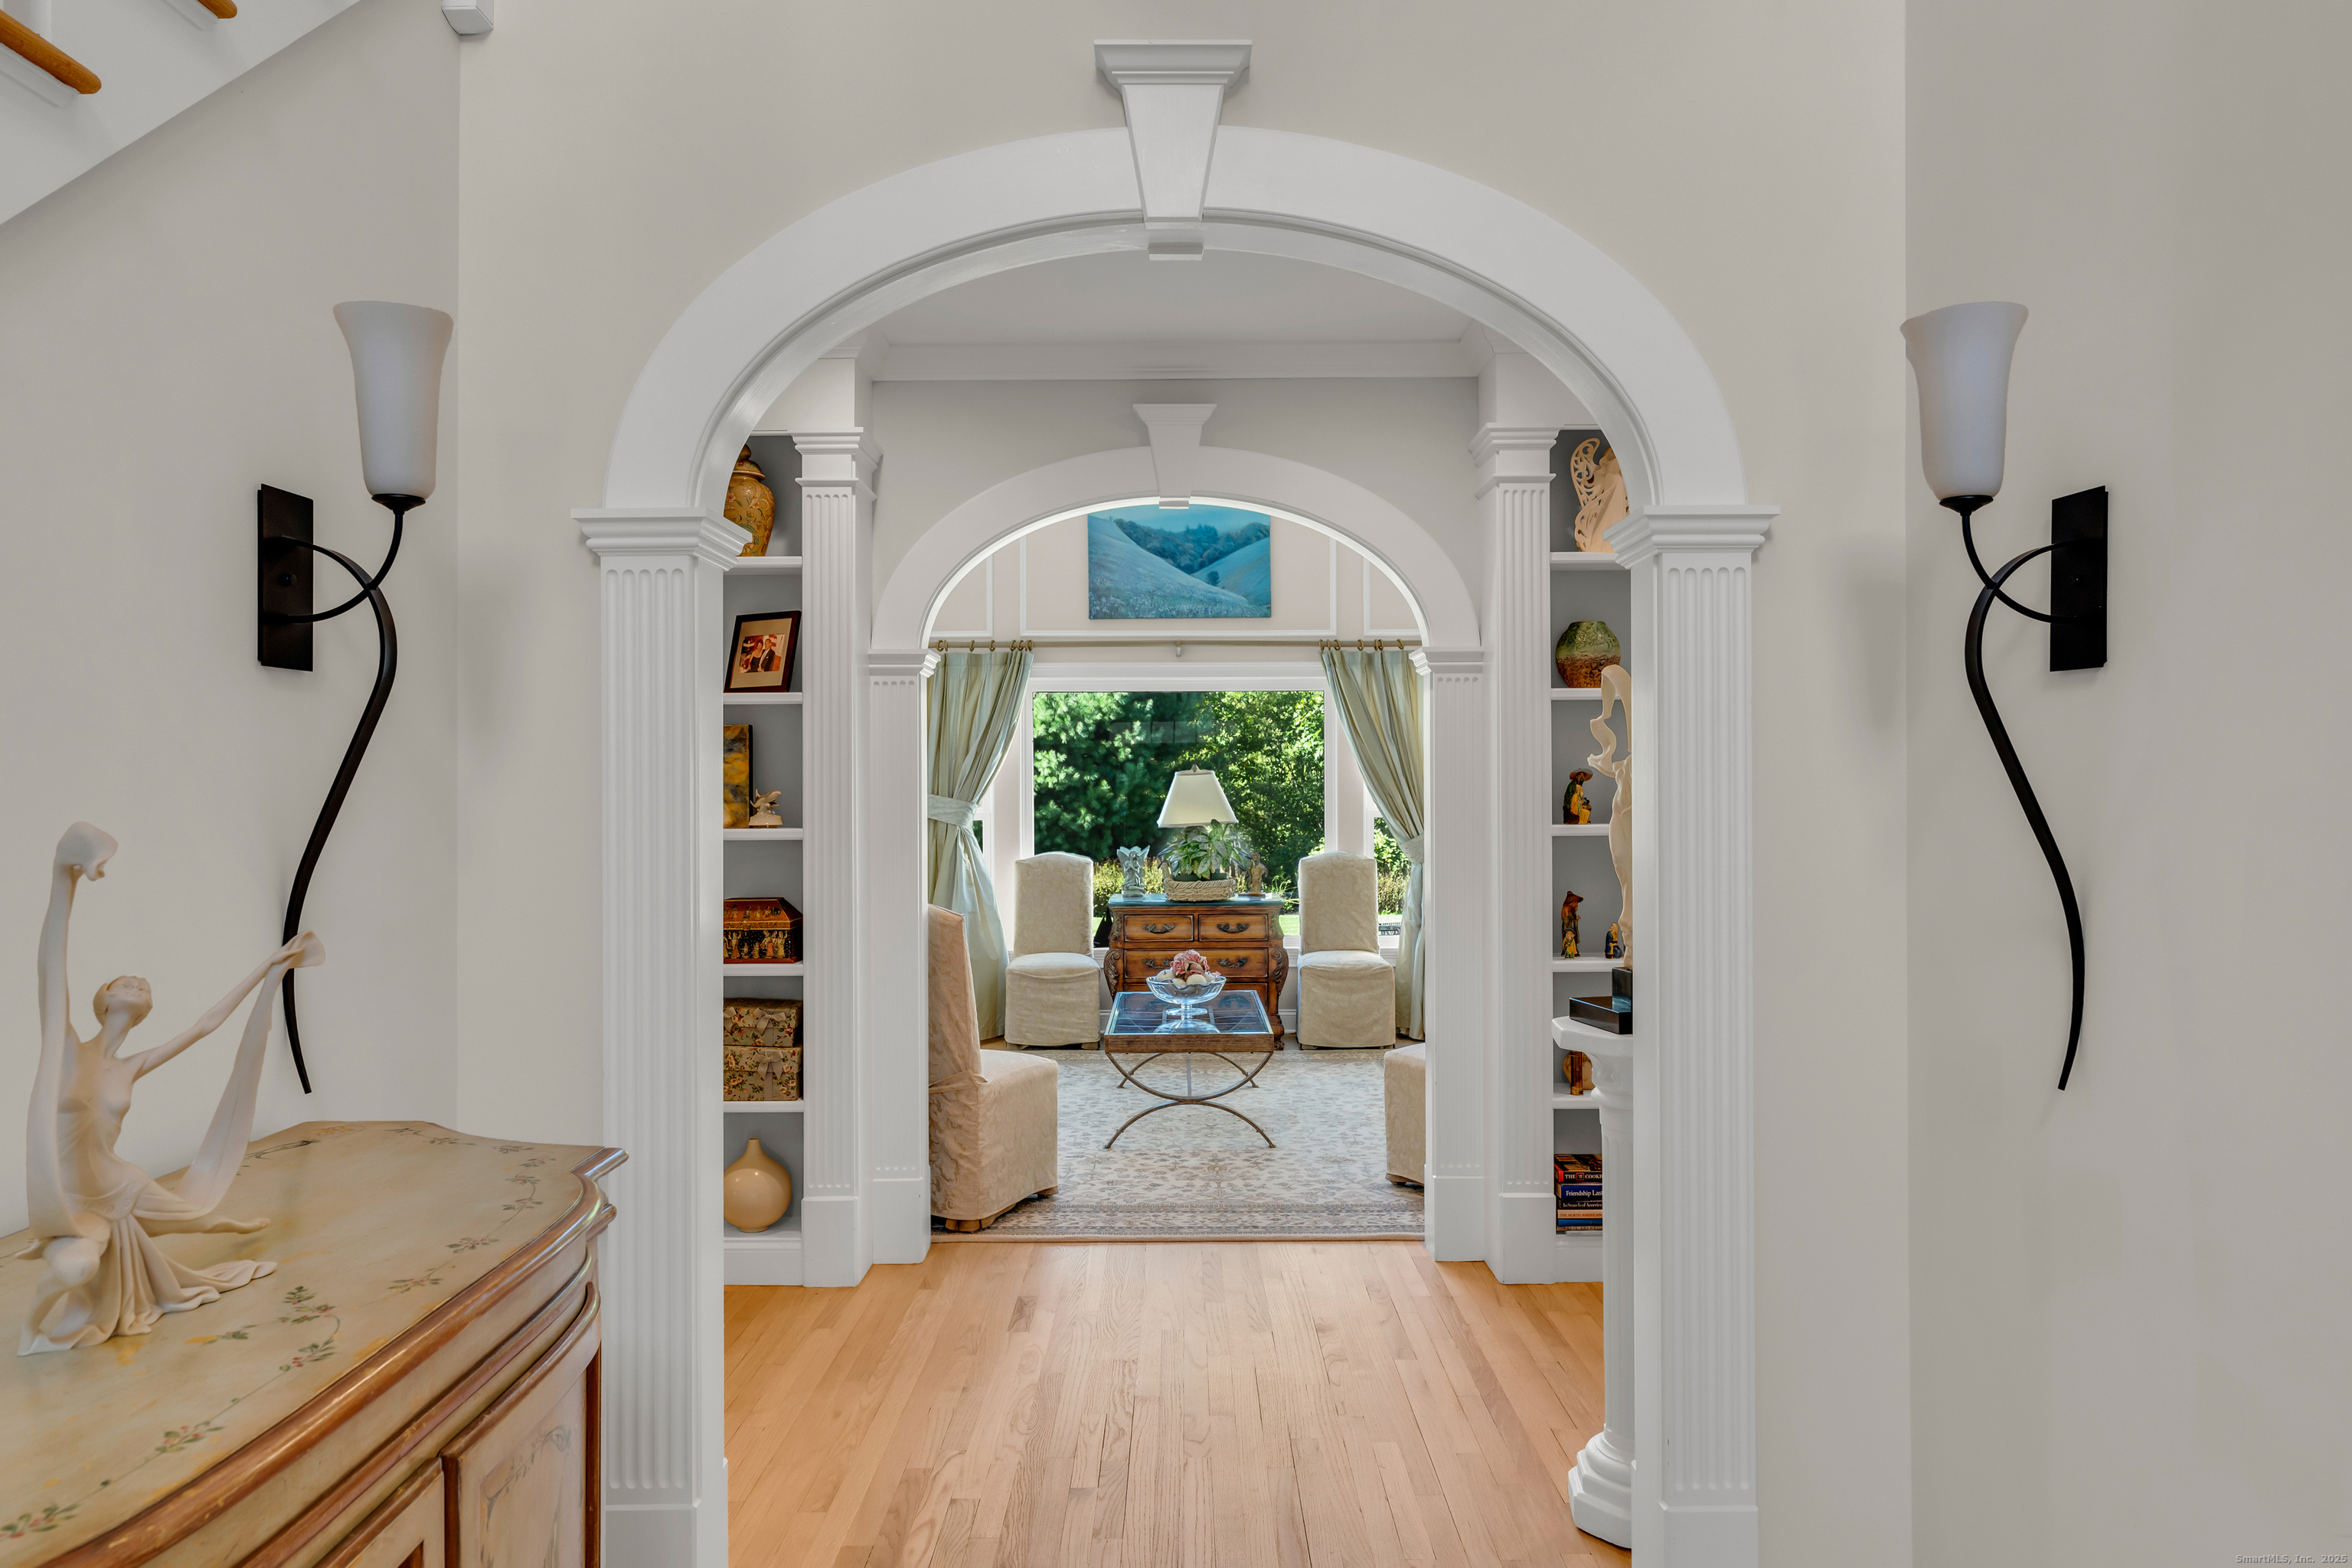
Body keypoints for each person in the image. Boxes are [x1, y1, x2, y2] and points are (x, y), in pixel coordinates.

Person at [18, 822, 322, 1354]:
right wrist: (63, 877)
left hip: (123, 1184)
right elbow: (51, 967)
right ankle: (32, 1334)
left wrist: (268, 967)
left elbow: (206, 1025)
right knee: (77, 1264)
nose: (136, 982)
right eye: (123, 982)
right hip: (78, 1200)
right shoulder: (66, 1046)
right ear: (102, 1001)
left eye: (144, 985)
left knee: (205, 1221)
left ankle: (239, 1226)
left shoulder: (132, 1063)